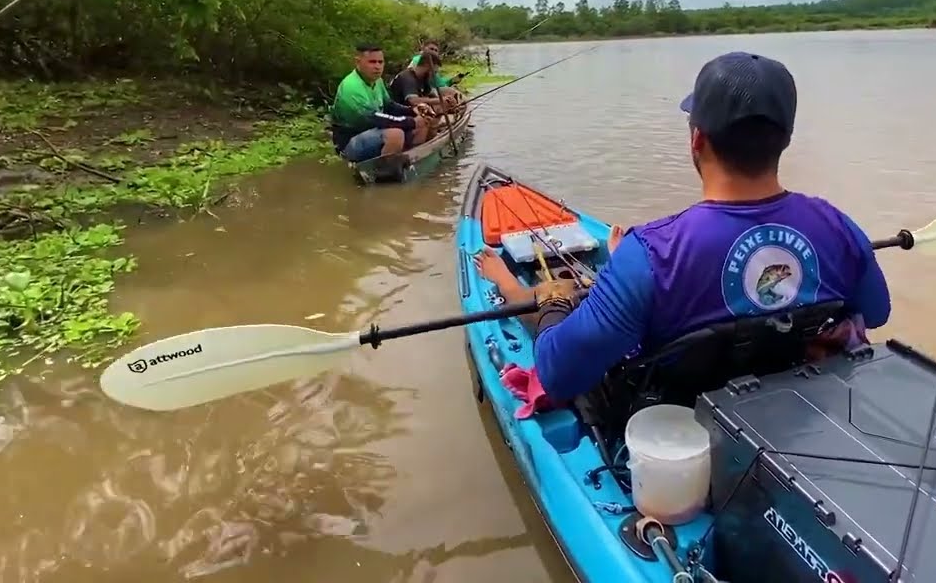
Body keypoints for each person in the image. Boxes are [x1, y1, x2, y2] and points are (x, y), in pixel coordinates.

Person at [474, 52, 892, 404]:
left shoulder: (650, 254)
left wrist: (553, 301)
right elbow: (876, 312)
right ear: (785, 139)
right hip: (797, 408)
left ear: (697, 140)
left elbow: (557, 373)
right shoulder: (838, 226)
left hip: (679, 429)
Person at [329, 44, 429, 162]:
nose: (377, 67)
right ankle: (385, 170)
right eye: (372, 62)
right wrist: (411, 121)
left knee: (423, 123)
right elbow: (375, 118)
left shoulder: (378, 81)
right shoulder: (351, 86)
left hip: (375, 133)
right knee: (395, 134)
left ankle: (410, 161)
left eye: (380, 62)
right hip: (350, 142)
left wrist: (413, 110)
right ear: (358, 62)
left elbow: (389, 106)